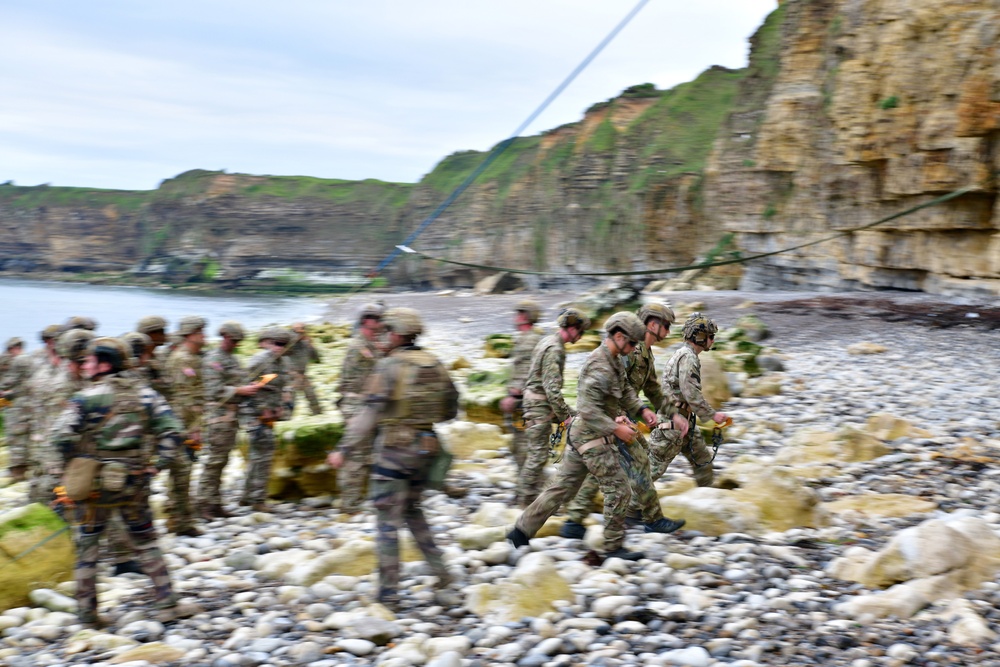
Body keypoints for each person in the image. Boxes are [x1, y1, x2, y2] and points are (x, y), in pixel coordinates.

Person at [51, 337, 194, 626]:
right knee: (146, 541)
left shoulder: (84, 398)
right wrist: (157, 466)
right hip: (135, 485)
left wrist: (73, 467)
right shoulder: (147, 396)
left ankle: (87, 615)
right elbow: (174, 432)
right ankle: (167, 605)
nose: (84, 366)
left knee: (88, 546)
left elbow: (61, 437)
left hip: (93, 488)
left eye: (89, 361)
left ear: (105, 365)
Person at [327, 307, 459, 610]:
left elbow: (369, 413)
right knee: (413, 511)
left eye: (386, 331)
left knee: (387, 521)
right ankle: (443, 574)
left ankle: (389, 593)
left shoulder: (389, 367)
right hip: (427, 449)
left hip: (394, 452)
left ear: (397, 334)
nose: (382, 336)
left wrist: (343, 449)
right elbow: (451, 409)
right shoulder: (435, 364)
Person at [508, 312, 655, 561]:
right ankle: (612, 547)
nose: (633, 349)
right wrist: (615, 428)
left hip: (584, 435)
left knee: (561, 488)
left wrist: (642, 410)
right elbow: (587, 410)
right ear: (619, 337)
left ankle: (520, 531)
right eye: (631, 344)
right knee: (619, 491)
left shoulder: (614, 360)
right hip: (591, 438)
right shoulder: (598, 365)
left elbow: (625, 390)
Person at [562, 303, 688, 538]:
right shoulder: (630, 352)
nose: (669, 332)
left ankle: (575, 520)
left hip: (619, 421)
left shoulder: (645, 354)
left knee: (608, 467)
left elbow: (653, 390)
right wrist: (617, 421)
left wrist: (673, 414)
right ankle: (650, 518)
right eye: (666, 326)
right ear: (653, 324)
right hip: (611, 421)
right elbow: (611, 387)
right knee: (637, 462)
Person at [515, 308, 590, 507]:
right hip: (539, 406)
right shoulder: (555, 349)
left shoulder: (547, 341)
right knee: (537, 456)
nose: (581, 336)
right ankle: (524, 501)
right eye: (580, 331)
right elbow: (551, 389)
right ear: (572, 328)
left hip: (538, 404)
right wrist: (566, 417)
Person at [649, 312, 729, 487]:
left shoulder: (684, 354)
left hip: (684, 420)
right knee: (652, 468)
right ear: (699, 337)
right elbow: (690, 392)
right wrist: (712, 415)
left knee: (703, 459)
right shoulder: (688, 357)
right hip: (673, 421)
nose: (712, 341)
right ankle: (621, 504)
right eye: (710, 336)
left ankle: (707, 498)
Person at [198, 322, 259, 518]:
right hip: (218, 418)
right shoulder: (214, 359)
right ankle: (203, 504)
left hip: (231, 417)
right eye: (233, 341)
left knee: (221, 461)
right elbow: (212, 390)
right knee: (213, 462)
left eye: (238, 342)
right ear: (224, 337)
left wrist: (251, 387)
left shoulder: (232, 359)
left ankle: (215, 503)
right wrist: (240, 390)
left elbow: (236, 382)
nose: (235, 344)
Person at [334, 303, 385, 514]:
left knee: (370, 452)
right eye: (375, 320)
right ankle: (350, 503)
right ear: (365, 321)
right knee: (356, 454)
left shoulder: (373, 343)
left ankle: (363, 497)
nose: (380, 324)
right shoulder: (359, 346)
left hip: (370, 404)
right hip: (356, 404)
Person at [240, 327, 293, 510]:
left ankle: (247, 496)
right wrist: (262, 411)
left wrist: (281, 409)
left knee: (259, 455)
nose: (280, 348)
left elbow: (281, 389)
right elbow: (248, 388)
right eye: (277, 344)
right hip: (254, 414)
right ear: (268, 343)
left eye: (284, 345)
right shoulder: (260, 361)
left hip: (269, 414)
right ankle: (257, 500)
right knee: (263, 455)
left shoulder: (282, 363)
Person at [164, 316, 207, 536]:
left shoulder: (192, 357)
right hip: (182, 424)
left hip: (187, 422)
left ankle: (180, 518)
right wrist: (194, 428)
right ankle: (178, 520)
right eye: (200, 332)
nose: (204, 336)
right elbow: (184, 398)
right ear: (190, 335)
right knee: (181, 470)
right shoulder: (182, 359)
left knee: (184, 469)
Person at [499, 299, 544, 472]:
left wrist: (513, 396)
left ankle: (529, 492)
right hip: (524, 404)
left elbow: (526, 373)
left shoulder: (529, 341)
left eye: (518, 313)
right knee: (521, 447)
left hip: (524, 405)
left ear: (525, 315)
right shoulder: (529, 339)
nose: (515, 317)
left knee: (523, 448)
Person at [287, 322, 323, 416]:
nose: (300, 333)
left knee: (311, 395)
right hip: (290, 374)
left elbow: (316, 358)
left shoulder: (306, 343)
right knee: (290, 398)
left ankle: (318, 414)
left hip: (302, 374)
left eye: (302, 330)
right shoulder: (288, 343)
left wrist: (311, 345)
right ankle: (286, 417)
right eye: (296, 331)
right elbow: (287, 348)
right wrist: (297, 337)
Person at [136, 316, 172, 398]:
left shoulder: (158, 356)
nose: (164, 335)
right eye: (161, 332)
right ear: (150, 334)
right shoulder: (140, 359)